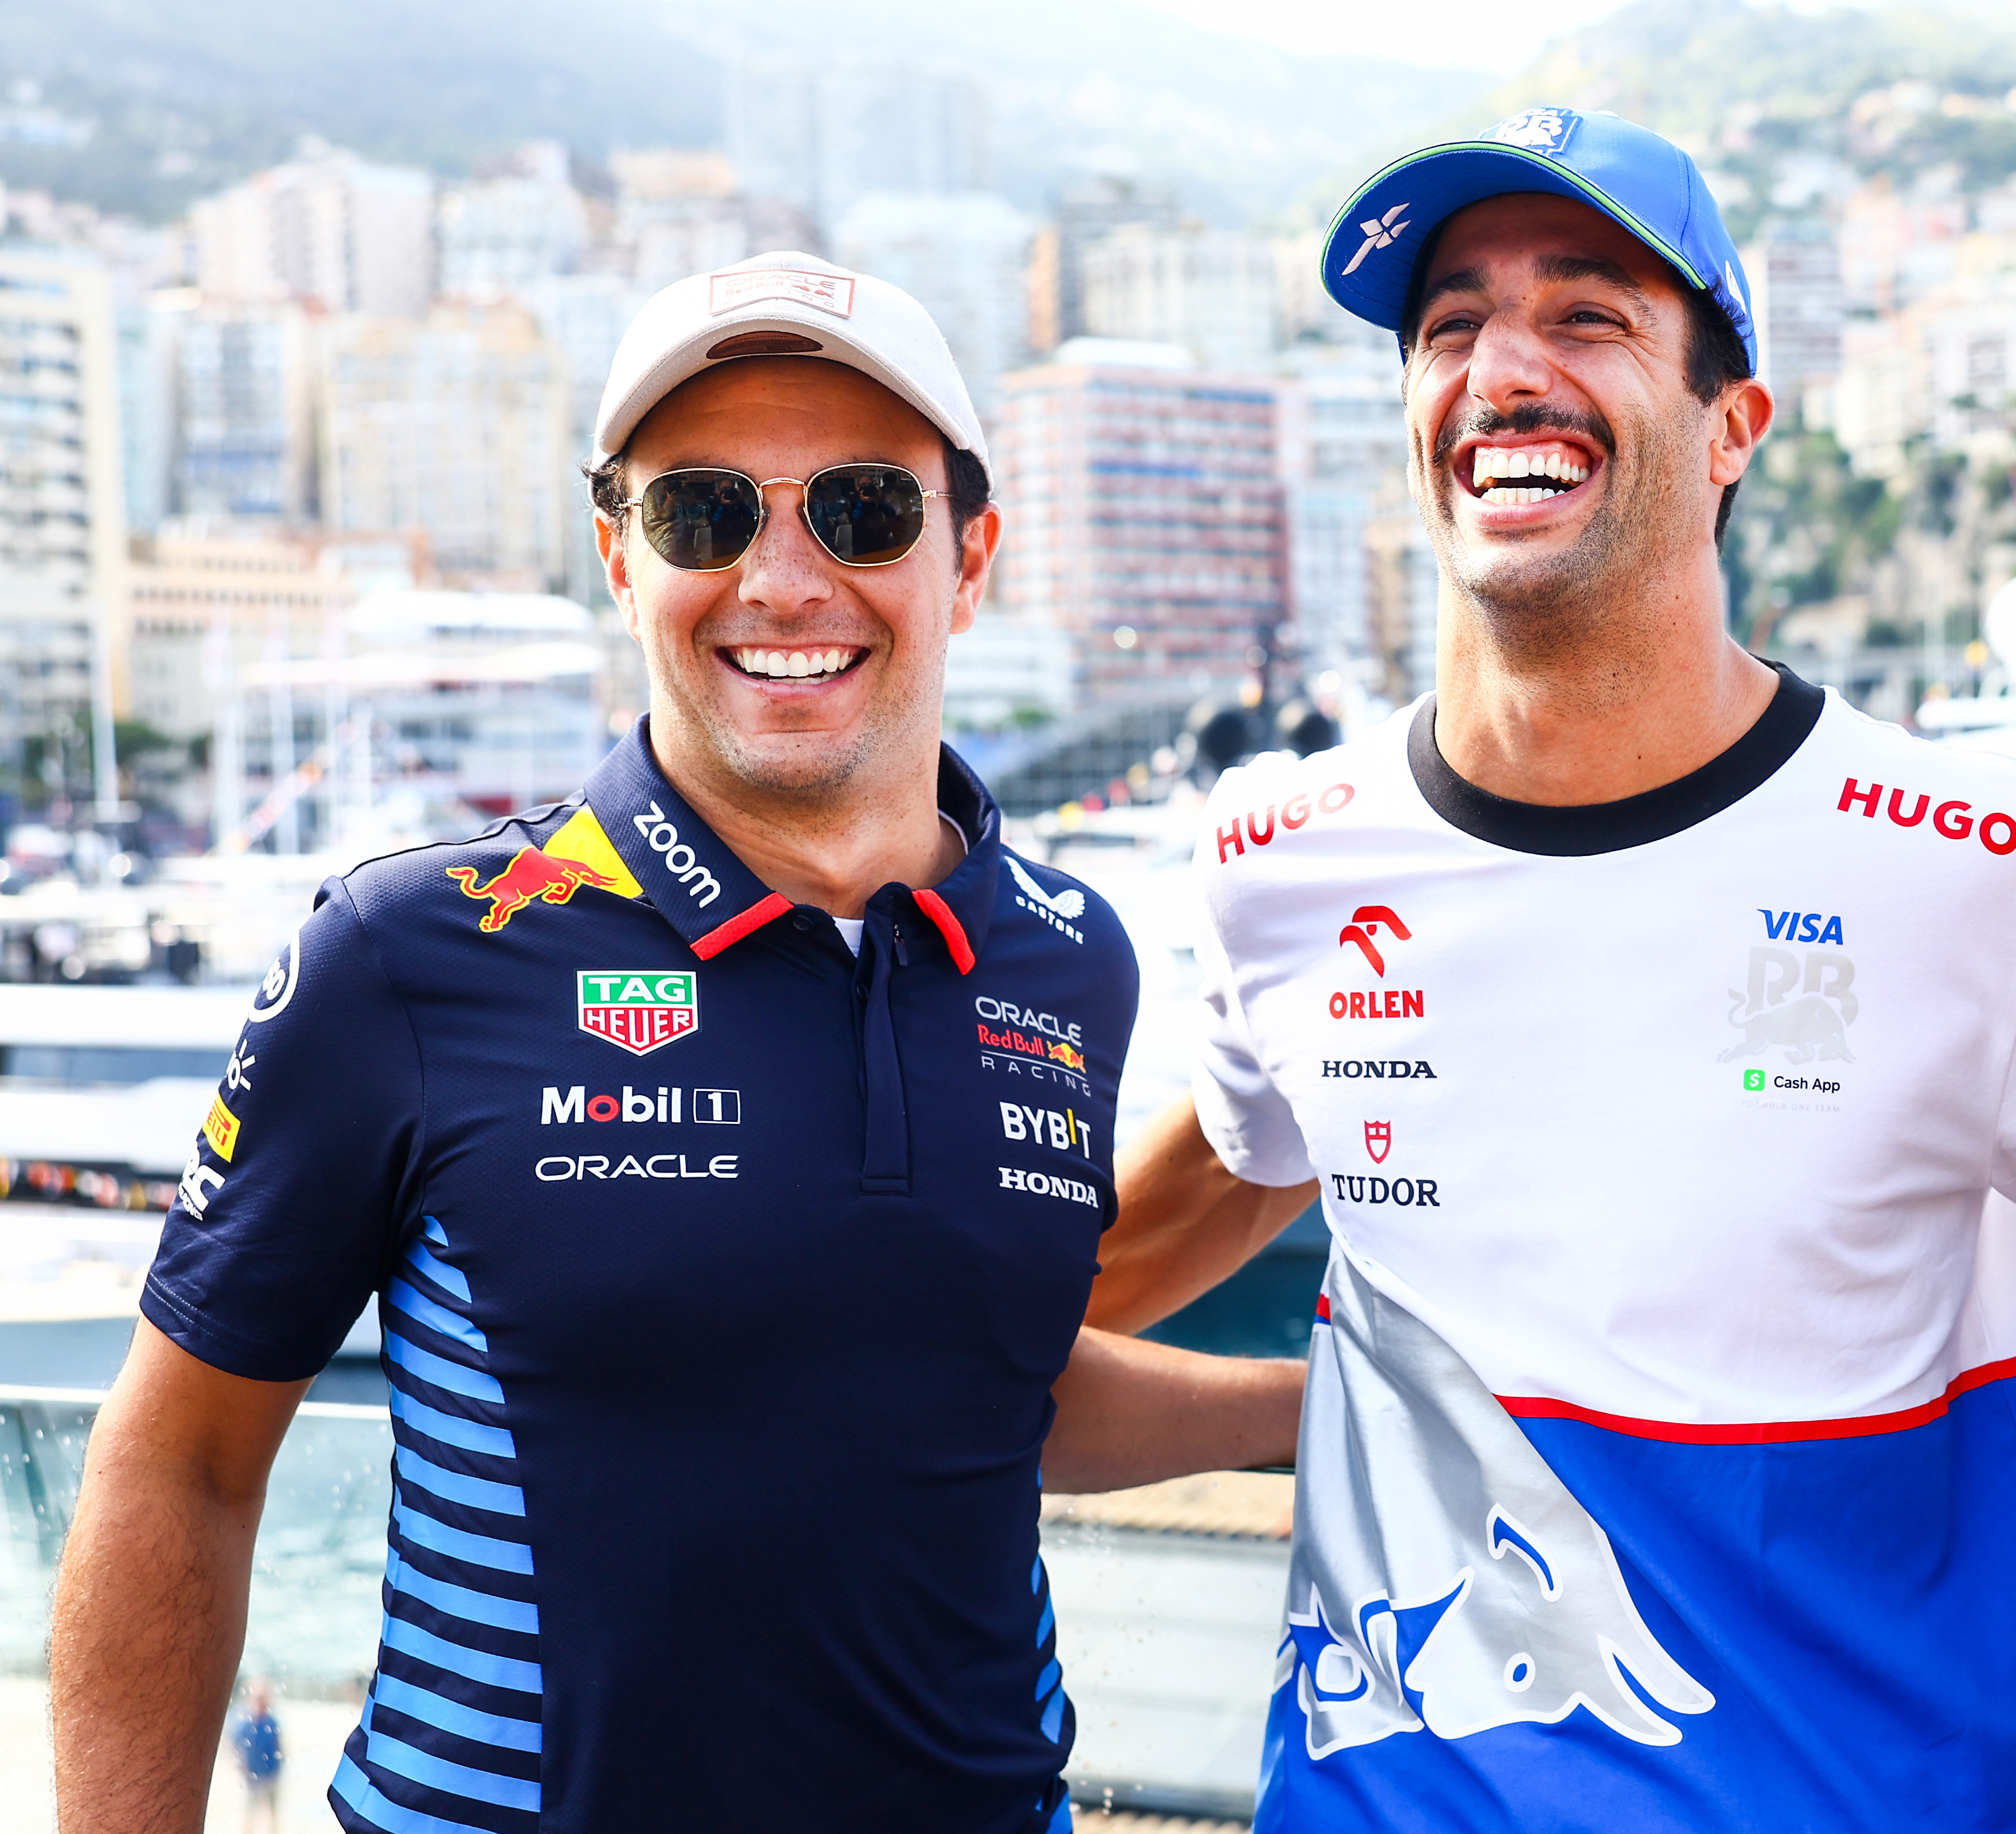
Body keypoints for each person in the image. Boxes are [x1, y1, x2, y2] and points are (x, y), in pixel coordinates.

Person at [1078, 107, 2016, 1831]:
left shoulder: (1979, 864)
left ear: (1729, 429)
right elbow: (1178, 1216)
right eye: (1450, 324)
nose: (1503, 368)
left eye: (1586, 314)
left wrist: (1975, 1468)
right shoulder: (1278, 857)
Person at [51, 252, 1303, 1833]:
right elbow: (181, 1465)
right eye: (704, 513)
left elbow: (982, 1390)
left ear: (970, 555)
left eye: (862, 510)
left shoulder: (1069, 959)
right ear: (621, 561)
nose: (783, 578)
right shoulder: (415, 951)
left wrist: (1319, 1405)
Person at [228, 1682, 280, 1832]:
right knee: (250, 1811)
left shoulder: (272, 1721)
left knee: (273, 1811)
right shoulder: (246, 1724)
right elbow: (236, 1747)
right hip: (253, 1775)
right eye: (260, 1700)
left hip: (271, 1773)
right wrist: (241, 1768)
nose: (263, 1704)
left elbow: (279, 1745)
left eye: (265, 1700)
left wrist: (279, 1769)